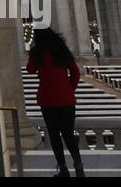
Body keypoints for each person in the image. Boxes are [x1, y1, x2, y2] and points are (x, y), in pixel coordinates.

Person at [27, 26, 85, 177]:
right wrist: (69, 89)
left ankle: (63, 168)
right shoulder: (62, 51)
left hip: (48, 100)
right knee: (68, 134)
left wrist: (33, 52)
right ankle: (78, 163)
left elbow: (30, 69)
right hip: (66, 99)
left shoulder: (38, 53)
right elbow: (76, 73)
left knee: (54, 135)